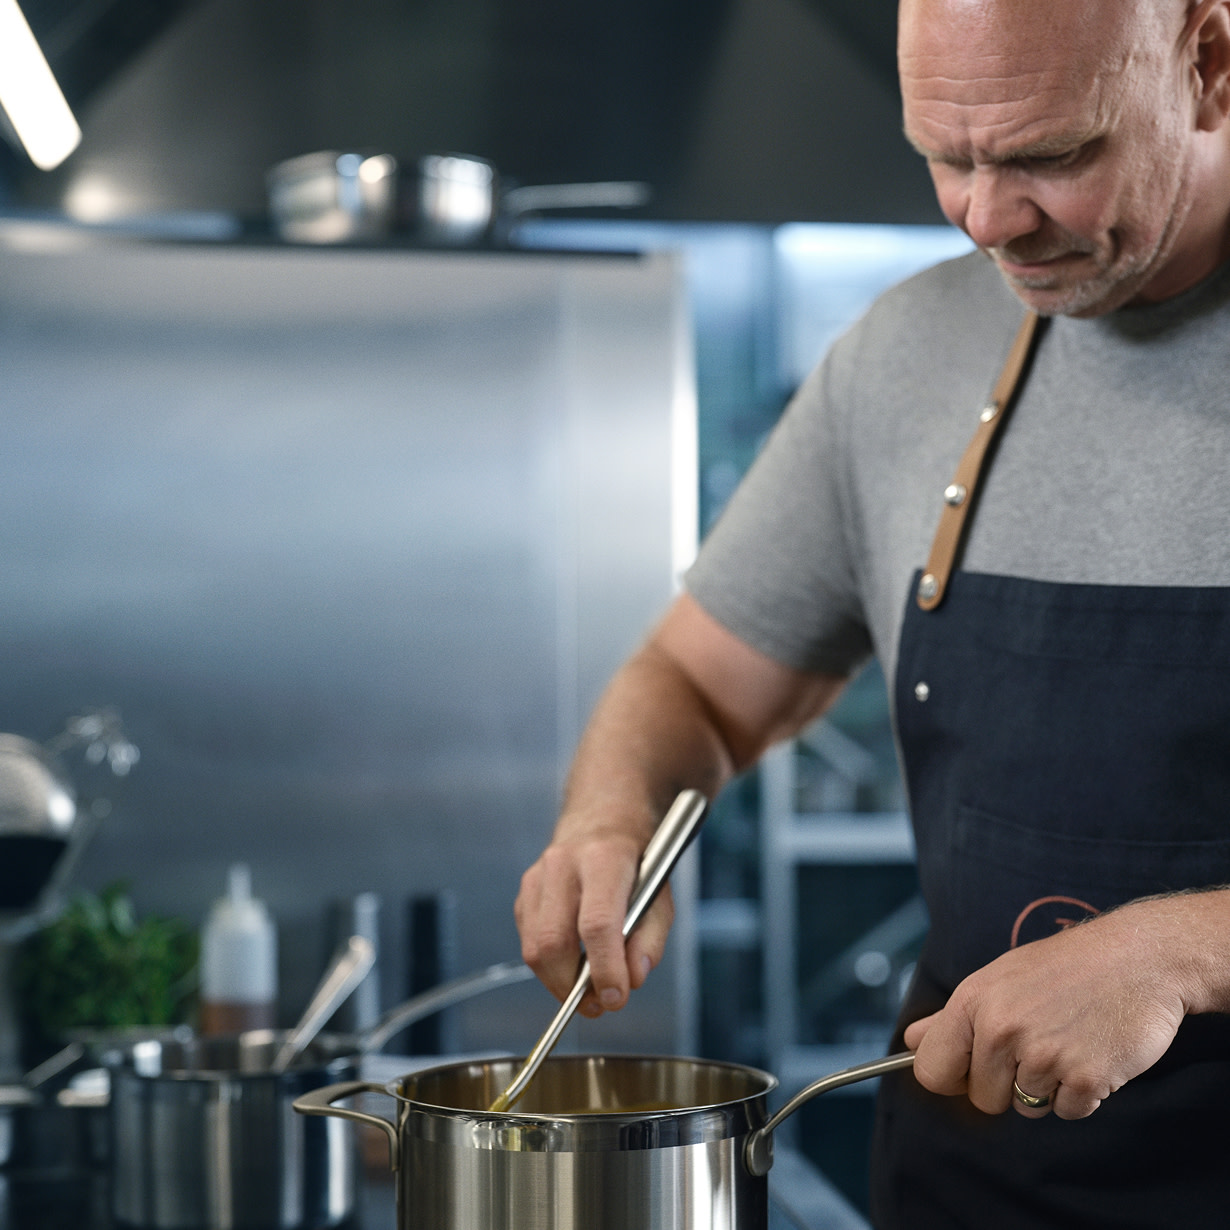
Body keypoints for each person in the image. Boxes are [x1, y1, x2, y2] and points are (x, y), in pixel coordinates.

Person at [515, 0, 1230, 1224]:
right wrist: (610, 812)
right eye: (947, 155)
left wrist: (1180, 951)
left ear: (1208, 63)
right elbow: (694, 685)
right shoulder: (907, 353)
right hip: (977, 1187)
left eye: (1053, 156)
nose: (987, 218)